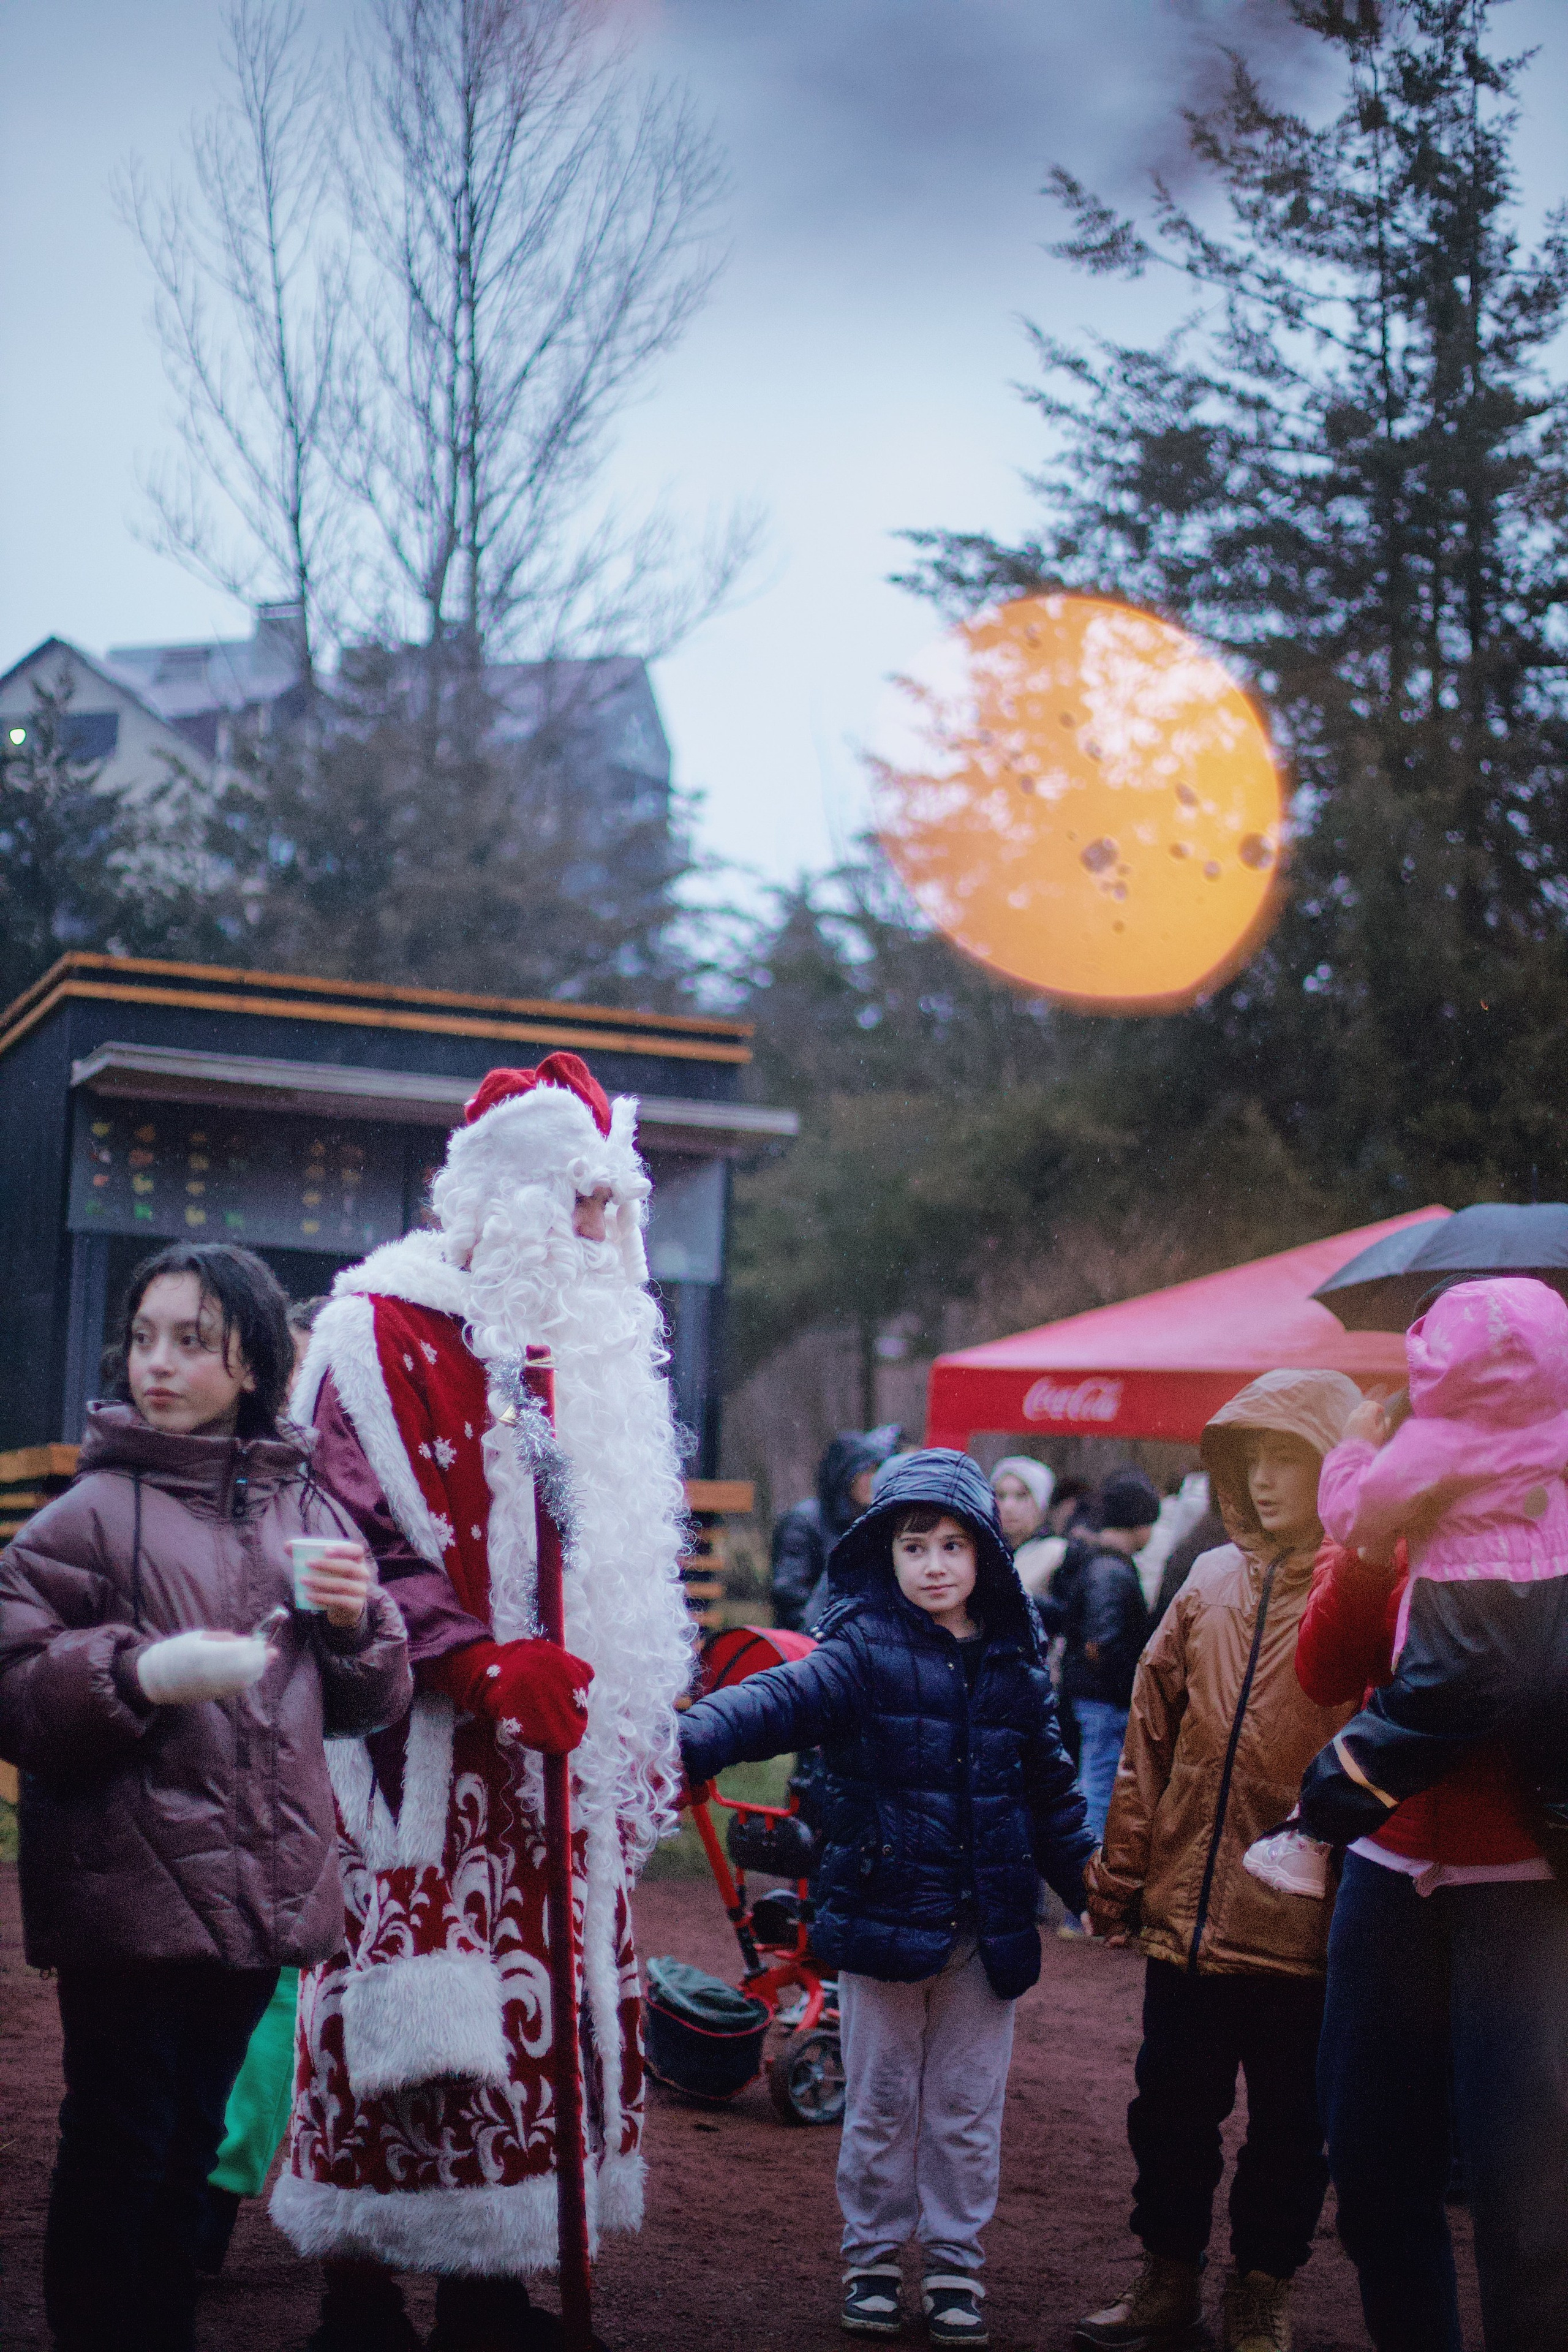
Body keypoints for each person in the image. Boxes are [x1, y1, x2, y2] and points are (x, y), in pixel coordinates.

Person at [273, 1053, 694, 2352]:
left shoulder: (588, 1345)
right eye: (581, 1204)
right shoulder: (375, 1330)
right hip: (423, 1751)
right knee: (410, 2014)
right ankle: (362, 2283)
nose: (600, 1236)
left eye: (611, 1208)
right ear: (512, 1199)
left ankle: (494, 2276)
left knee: (542, 2021)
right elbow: (339, 1523)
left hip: (552, 1777)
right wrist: (477, 1660)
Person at [0, 1243, 410, 2352]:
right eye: (144, 1337)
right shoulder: (82, 1518)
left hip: (259, 1887)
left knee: (192, 2145)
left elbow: (365, 1701)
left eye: (191, 1340)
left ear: (253, 1361)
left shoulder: (306, 1506)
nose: (158, 1363)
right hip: (127, 1894)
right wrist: (135, 1673)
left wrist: (357, 1623)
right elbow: (13, 1690)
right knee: (121, 2140)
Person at [679, 1449, 1094, 2348]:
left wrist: (1089, 1883)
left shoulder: (1019, 1672)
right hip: (880, 1914)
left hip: (985, 1929)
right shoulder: (861, 1653)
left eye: (954, 1544)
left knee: (966, 2109)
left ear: (986, 1554)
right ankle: (871, 2259)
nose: (935, 1563)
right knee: (878, 2101)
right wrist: (691, 1740)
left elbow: (1054, 1792)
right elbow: (775, 1700)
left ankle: (953, 2266)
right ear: (886, 1557)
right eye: (915, 1546)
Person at [1076, 1370, 1362, 2352]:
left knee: (1291, 2129)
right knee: (1169, 2115)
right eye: (1253, 1460)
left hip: (1302, 1924)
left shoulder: (1360, 1591)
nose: (1269, 1479)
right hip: (1187, 1919)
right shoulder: (1206, 1581)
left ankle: (1261, 2293)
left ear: (1335, 1466)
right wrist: (1119, 1875)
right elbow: (1146, 1737)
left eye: (1290, 1456)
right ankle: (1166, 2282)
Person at [1294, 1452, 1568, 2346]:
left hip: (1526, 1890)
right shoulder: (1401, 1492)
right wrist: (1368, 1549)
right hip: (1386, 1871)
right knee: (1372, 2176)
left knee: (1530, 2202)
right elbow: (1324, 1669)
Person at [1295, 1278, 1568, 1848]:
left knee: (1423, 1712)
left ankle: (1317, 1819)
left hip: (1510, 1855)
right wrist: (1368, 1562)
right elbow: (1324, 1674)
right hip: (1397, 1847)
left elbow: (1349, 1510)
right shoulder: (1551, 1437)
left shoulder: (1436, 1449)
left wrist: (1352, 1452)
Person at [193, 1291, 335, 2278]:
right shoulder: (226, 1469)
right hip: (233, 1757)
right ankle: (201, 2182)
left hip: (330, 1761)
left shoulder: (343, 1482)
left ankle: (228, 2189)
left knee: (289, 1984)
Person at [1060, 1469, 1160, 1841]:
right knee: (1099, 1786)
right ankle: (1089, 1861)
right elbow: (1101, 1641)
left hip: (1096, 1694)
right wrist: (1126, 1686)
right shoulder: (1112, 1571)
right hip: (1104, 1699)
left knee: (1096, 1780)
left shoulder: (1101, 1563)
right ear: (1138, 1522)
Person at [771, 1430, 888, 1631]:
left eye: (877, 1471)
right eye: (866, 1472)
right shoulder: (805, 1521)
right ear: (845, 1476)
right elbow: (789, 1593)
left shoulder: (869, 1521)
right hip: (810, 1640)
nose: (873, 1480)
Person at [991, 1455, 1058, 1595]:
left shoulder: (1057, 1553)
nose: (1008, 1507)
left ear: (1041, 1504)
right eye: (1001, 1496)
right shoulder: (984, 1552)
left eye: (1021, 1496)